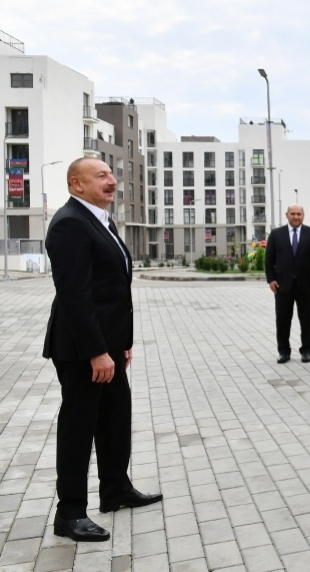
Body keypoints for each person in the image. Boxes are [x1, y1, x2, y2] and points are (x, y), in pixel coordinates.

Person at [43, 158, 162, 542]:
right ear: (76, 184)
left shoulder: (100, 219)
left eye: (111, 175)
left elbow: (113, 291)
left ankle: (115, 489)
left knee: (115, 417)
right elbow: (75, 296)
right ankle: (70, 513)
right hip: (81, 350)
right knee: (79, 426)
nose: (112, 181)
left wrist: (120, 344)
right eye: (102, 176)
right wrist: (97, 351)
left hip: (108, 345)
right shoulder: (69, 224)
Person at [265, 204, 310, 364]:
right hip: (283, 285)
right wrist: (271, 279)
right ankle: (283, 351)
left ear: (303, 215)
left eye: (299, 214)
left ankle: (306, 350)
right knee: (282, 320)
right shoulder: (276, 234)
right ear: (286, 215)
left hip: (306, 285)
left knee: (307, 320)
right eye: (292, 214)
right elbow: (269, 259)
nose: (296, 217)